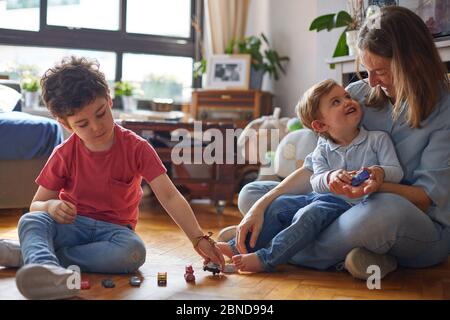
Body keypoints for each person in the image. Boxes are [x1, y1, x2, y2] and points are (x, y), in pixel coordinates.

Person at [223, 6, 450, 280]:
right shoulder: (357, 95)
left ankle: (270, 247)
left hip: (414, 222)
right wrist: (260, 208)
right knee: (253, 192)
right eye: (366, 71)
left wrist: (373, 185)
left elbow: (426, 200)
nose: (372, 82)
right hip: (341, 207)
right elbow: (312, 170)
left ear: (412, 61)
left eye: (381, 71)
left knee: (382, 212)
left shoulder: (444, 109)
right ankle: (361, 256)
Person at [0, 56, 225, 300]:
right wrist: (51, 206)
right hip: (70, 226)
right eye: (83, 123)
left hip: (115, 234)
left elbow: (170, 196)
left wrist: (197, 237)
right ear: (65, 123)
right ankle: (43, 267)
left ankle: (37, 259)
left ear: (109, 99)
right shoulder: (64, 153)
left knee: (133, 253)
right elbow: (36, 205)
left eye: (101, 113)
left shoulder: (137, 148)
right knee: (32, 221)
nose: (96, 127)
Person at [217, 79, 403, 273]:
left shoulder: (378, 139)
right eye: (336, 102)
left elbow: (396, 172)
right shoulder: (322, 148)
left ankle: (266, 258)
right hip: (318, 198)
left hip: (349, 206)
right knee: (279, 205)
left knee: (308, 214)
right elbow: (315, 180)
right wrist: (329, 177)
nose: (347, 101)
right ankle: (238, 246)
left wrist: (379, 172)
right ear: (320, 125)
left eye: (347, 97)